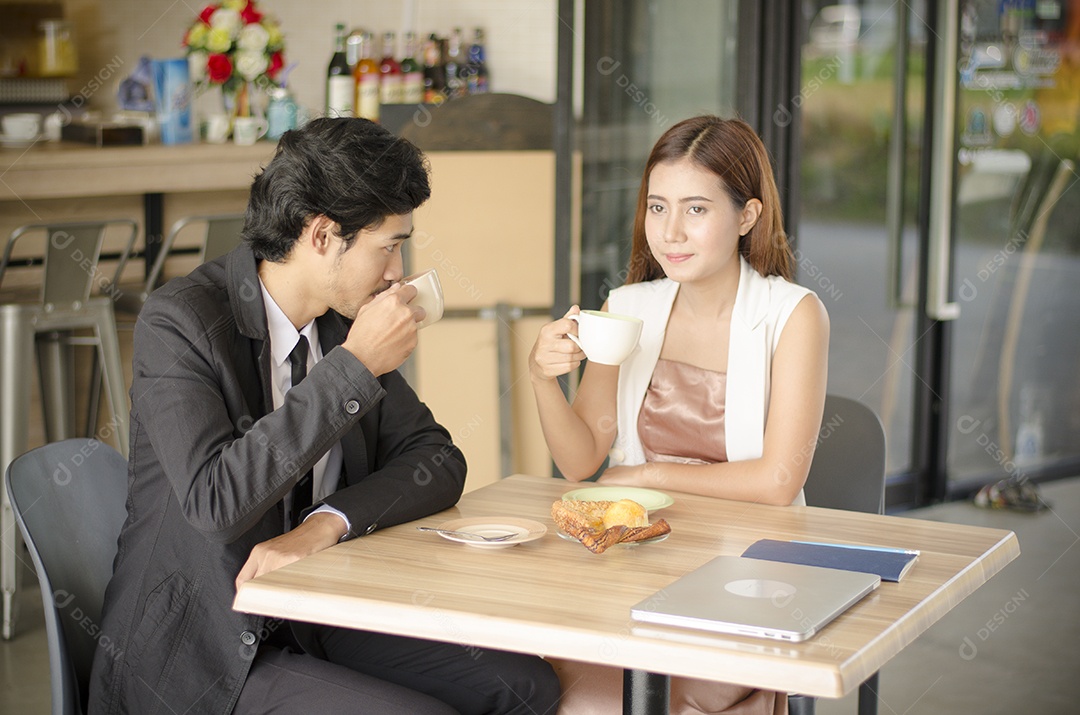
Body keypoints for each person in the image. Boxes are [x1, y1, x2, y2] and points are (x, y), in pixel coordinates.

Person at [89, 118, 561, 715]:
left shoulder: (342, 321)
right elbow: (215, 503)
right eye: (388, 245)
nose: (397, 270)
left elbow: (436, 458)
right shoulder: (179, 323)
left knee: (527, 685)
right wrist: (355, 366)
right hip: (202, 653)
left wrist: (326, 524)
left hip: (313, 613)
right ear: (320, 235)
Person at [530, 116, 829, 714]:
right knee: (538, 683)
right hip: (635, 560)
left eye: (696, 210)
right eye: (657, 207)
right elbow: (581, 460)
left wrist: (643, 476)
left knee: (646, 699)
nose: (670, 232)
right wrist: (542, 377)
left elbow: (777, 482)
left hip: (746, 572)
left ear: (747, 216)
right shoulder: (626, 308)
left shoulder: (793, 315)